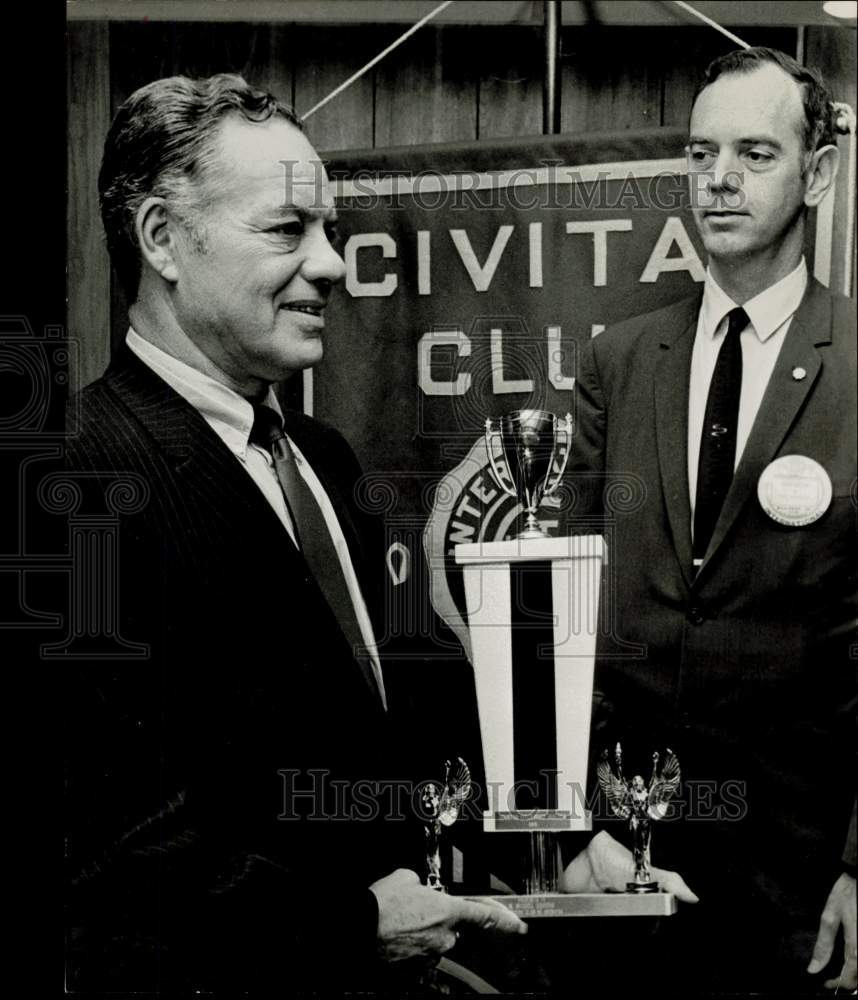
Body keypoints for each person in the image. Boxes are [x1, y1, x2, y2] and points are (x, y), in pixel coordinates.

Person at [63, 73, 535, 994]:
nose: (332, 263)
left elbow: (400, 720)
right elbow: (102, 857)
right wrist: (352, 925)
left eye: (326, 228)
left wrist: (563, 842)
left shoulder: (323, 455)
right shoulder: (71, 478)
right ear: (161, 238)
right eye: (288, 229)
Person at [567, 47, 856, 993]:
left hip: (801, 879)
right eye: (701, 154)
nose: (719, 180)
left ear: (818, 172)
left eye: (755, 154)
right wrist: (577, 828)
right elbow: (569, 616)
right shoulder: (620, 360)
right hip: (626, 865)